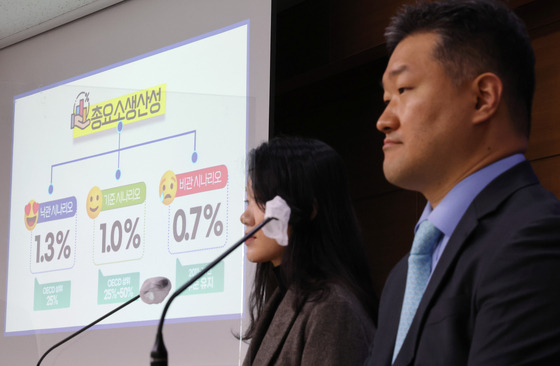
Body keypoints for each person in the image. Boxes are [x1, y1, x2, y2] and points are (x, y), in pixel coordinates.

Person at [367, 0, 560, 365]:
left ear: (482, 97)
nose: (384, 120)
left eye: (404, 90)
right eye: (386, 98)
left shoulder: (535, 239)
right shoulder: (402, 276)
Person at [239, 136, 377, 365]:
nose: (245, 217)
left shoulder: (332, 309)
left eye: (259, 200)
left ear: (306, 209)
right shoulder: (283, 299)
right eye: (247, 201)